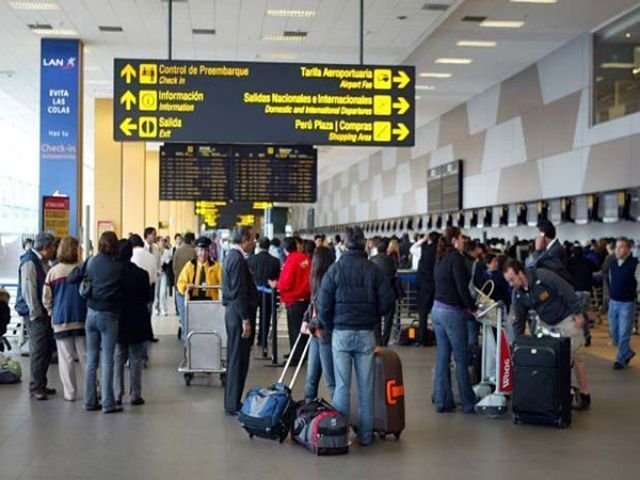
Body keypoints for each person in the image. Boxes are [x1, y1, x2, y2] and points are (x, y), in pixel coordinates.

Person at [317, 226, 395, 446]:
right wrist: (372, 314)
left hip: (341, 333)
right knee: (366, 387)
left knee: (342, 387)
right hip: (366, 333)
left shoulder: (335, 269)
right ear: (364, 243)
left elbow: (323, 304)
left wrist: (330, 324)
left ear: (345, 243)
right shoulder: (374, 270)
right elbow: (388, 301)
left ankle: (339, 435)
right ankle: (366, 436)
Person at [504, 259, 591, 409]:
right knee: (548, 359)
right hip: (545, 323)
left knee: (577, 356)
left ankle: (584, 394)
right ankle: (562, 393)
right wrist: (517, 343)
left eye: (512, 279)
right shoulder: (517, 294)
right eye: (508, 281)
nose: (511, 284)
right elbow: (519, 319)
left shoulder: (543, 276)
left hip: (565, 318)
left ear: (520, 273)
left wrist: (578, 313)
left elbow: (567, 291)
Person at [431, 227, 478, 414]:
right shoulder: (456, 258)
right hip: (452, 313)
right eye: (461, 237)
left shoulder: (440, 257)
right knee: (461, 358)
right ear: (455, 240)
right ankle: (467, 402)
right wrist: (472, 308)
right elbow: (461, 287)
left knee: (443, 357)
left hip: (437, 310)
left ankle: (443, 401)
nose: (463, 240)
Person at [81, 231, 123, 413]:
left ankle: (89, 401)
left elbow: (75, 277)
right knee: (107, 360)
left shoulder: (91, 262)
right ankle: (108, 403)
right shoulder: (118, 267)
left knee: (91, 360)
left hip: (91, 314)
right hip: (109, 315)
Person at [42, 236, 87, 402]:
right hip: (81, 318)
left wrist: (51, 312)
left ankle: (70, 393)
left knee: (66, 358)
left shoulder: (53, 272)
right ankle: (93, 389)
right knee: (85, 356)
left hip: (60, 320)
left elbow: (46, 298)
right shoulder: (81, 270)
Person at [15, 232, 57, 400]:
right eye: (53, 246)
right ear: (46, 247)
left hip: (41, 312)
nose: (54, 250)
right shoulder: (30, 262)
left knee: (46, 349)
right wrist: (36, 313)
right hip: (35, 313)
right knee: (39, 349)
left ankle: (41, 383)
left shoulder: (41, 261)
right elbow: (29, 290)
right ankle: (35, 387)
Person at [221, 226, 257, 415]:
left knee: (237, 358)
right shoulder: (237, 260)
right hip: (238, 314)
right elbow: (239, 292)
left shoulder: (232, 257)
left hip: (234, 312)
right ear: (244, 239)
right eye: (252, 238)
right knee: (237, 359)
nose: (254, 242)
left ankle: (232, 401)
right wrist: (245, 320)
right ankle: (233, 404)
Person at [114, 239, 152, 406]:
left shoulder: (113, 274)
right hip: (137, 319)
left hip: (118, 320)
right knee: (135, 358)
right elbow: (147, 297)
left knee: (118, 358)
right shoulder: (141, 274)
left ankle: (117, 393)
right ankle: (135, 394)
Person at [303, 245, 336, 402]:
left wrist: (310, 324)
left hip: (324, 334)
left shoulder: (326, 281)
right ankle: (309, 412)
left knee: (328, 381)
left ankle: (339, 419)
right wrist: (306, 319)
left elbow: (324, 310)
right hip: (318, 334)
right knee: (313, 379)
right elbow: (313, 304)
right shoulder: (318, 280)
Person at [272, 237, 311, 366]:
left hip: (293, 300)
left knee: (294, 330)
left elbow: (286, 283)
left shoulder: (291, 261)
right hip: (305, 299)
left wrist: (276, 284)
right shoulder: (305, 258)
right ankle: (303, 353)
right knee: (303, 329)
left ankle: (296, 357)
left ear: (285, 249)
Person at [607, 237, 640, 370]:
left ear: (628, 249)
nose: (617, 250)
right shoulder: (613, 264)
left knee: (624, 332)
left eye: (621, 247)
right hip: (613, 301)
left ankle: (619, 359)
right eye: (616, 247)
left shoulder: (635, 264)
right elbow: (611, 280)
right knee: (614, 333)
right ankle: (628, 352)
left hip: (627, 303)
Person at [247, 237, 280, 350]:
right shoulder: (275, 261)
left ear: (259, 246)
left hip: (253, 293)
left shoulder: (251, 259)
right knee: (265, 317)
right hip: (268, 293)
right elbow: (277, 278)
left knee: (251, 316)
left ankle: (250, 339)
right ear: (268, 246)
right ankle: (262, 339)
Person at [176, 236, 222, 304]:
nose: (203, 253)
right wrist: (187, 286)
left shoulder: (216, 266)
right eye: (201, 250)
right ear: (197, 252)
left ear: (209, 252)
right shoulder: (190, 265)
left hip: (211, 301)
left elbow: (223, 282)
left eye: (206, 250)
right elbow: (180, 282)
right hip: (194, 301)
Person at [370, 237, 398, 346]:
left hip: (376, 293)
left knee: (376, 319)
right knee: (388, 319)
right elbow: (395, 272)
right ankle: (385, 340)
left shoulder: (372, 260)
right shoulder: (391, 260)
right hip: (389, 292)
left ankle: (378, 341)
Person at [568, 245, 597, 346]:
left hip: (575, 291)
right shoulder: (588, 262)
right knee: (583, 314)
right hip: (587, 291)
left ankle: (579, 336)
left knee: (576, 314)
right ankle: (586, 335)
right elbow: (597, 268)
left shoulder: (569, 262)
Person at [526, 219, 572, 284]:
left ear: (543, 235)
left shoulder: (555, 250)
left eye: (538, 235)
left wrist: (537, 251)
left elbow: (534, 265)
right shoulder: (549, 249)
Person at [413, 232, 439, 346]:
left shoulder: (423, 250)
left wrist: (423, 239)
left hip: (424, 284)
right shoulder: (439, 252)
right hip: (436, 284)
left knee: (423, 313)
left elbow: (412, 248)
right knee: (436, 313)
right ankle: (437, 338)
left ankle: (422, 339)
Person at [173, 232, 196, 338]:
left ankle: (184, 334)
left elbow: (174, 269)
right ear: (192, 241)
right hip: (192, 288)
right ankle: (191, 336)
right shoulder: (194, 252)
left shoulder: (177, 251)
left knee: (182, 312)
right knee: (192, 313)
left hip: (179, 286)